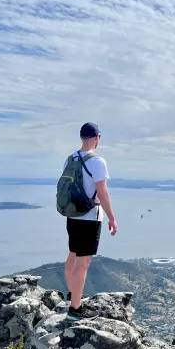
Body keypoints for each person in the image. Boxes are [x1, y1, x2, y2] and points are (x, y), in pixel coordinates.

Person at [63, 122, 117, 320]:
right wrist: (112, 218)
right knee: (82, 263)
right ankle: (75, 309)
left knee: (72, 255)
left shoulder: (70, 159)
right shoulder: (97, 162)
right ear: (97, 138)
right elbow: (102, 193)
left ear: (81, 137)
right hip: (89, 217)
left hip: (72, 215)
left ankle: (72, 294)